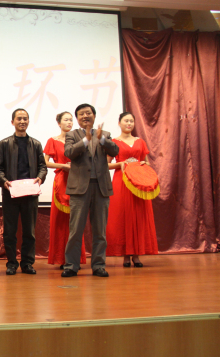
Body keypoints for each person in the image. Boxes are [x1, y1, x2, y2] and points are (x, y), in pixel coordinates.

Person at [61, 103, 119, 278]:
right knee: (75, 230)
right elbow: (69, 153)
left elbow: (115, 150)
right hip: (79, 189)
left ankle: (99, 265)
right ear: (77, 118)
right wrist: (85, 140)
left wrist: (102, 140)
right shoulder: (72, 135)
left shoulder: (104, 134)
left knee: (100, 231)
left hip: (101, 188)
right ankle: (71, 265)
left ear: (94, 116)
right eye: (81, 114)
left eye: (88, 113)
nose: (85, 116)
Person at [0, 109, 47, 275]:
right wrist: (4, 181)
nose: (22, 121)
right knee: (9, 232)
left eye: (25, 119)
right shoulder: (4, 143)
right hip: (10, 193)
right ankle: (11, 263)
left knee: (29, 232)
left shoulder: (36, 144)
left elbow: (42, 167)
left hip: (30, 194)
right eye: (19, 119)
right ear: (13, 122)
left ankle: (27, 263)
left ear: (28, 121)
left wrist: (40, 177)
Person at [106, 112, 158, 267]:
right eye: (126, 121)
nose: (129, 124)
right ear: (119, 123)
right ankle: (126, 256)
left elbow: (146, 162)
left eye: (131, 121)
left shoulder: (140, 142)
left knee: (138, 215)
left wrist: (143, 164)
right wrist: (120, 164)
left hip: (139, 182)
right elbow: (105, 164)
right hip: (121, 181)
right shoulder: (113, 142)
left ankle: (136, 254)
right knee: (123, 216)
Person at [43, 112, 87, 269]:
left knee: (76, 222)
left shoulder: (80, 140)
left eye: (71, 120)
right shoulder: (53, 141)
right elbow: (45, 162)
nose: (69, 122)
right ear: (59, 123)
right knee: (61, 222)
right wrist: (62, 166)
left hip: (78, 181)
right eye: (66, 120)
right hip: (61, 182)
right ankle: (61, 258)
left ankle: (75, 258)